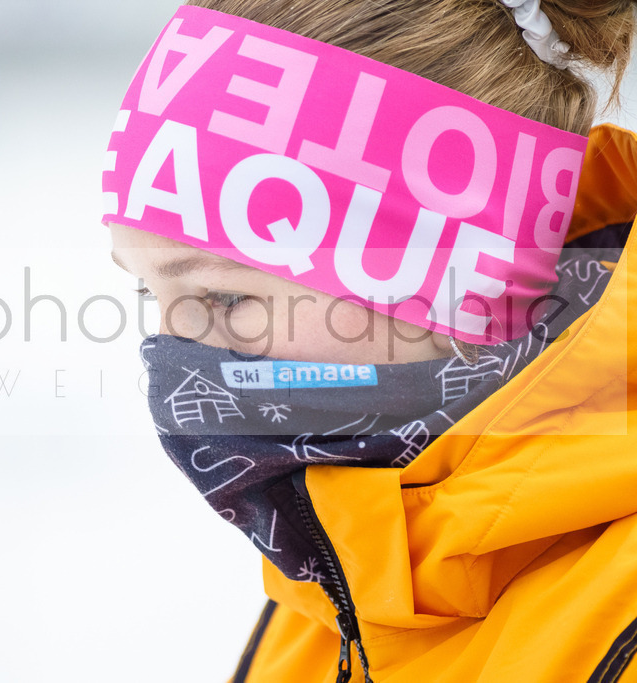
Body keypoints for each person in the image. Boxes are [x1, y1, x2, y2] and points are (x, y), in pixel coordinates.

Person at [101, 0, 637, 681]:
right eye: (153, 292)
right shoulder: (333, 588)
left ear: (453, 285)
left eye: (224, 297)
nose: (173, 355)